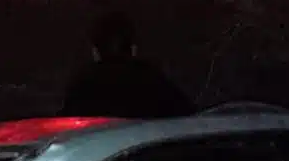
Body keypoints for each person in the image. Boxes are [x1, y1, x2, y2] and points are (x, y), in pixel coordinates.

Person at [60, 9, 195, 120]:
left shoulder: (82, 85)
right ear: (133, 49)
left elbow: (66, 125)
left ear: (95, 51)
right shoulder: (152, 80)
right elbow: (187, 117)